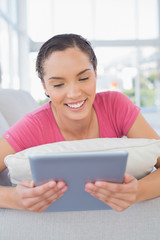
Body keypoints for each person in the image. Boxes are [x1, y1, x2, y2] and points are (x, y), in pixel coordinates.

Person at [0, 34, 160, 213]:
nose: (74, 93)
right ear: (45, 87)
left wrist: (139, 191)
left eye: (83, 78)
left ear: (95, 73)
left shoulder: (115, 105)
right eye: (59, 84)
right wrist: (13, 198)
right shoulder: (33, 125)